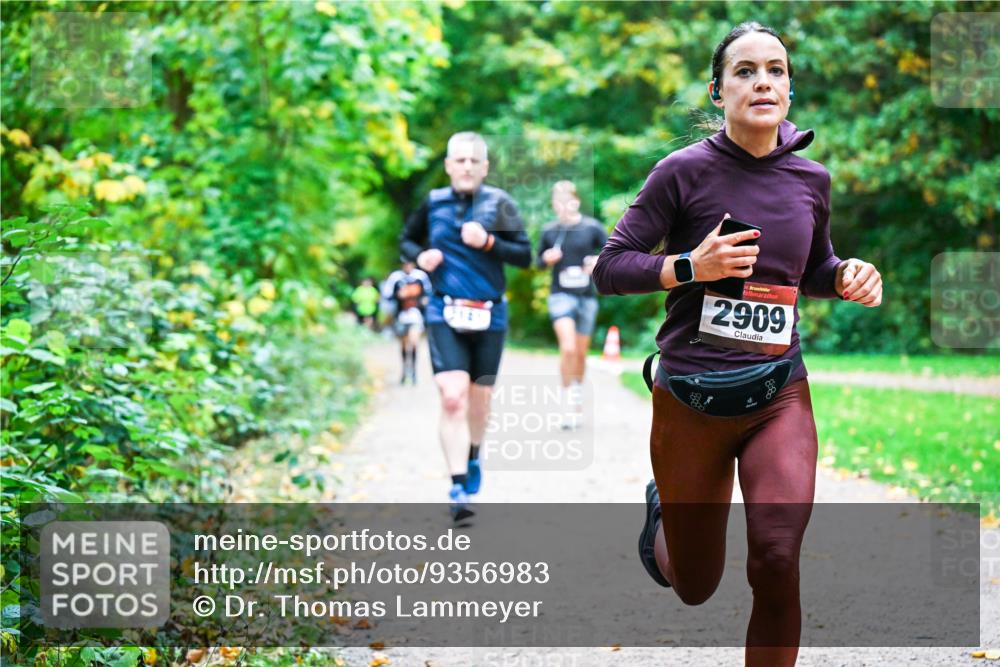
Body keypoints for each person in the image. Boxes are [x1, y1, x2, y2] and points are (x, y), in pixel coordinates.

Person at [592, 22, 882, 667]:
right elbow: (609, 268)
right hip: (691, 396)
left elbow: (812, 269)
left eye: (776, 70)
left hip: (779, 391)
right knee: (694, 585)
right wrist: (692, 266)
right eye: (746, 71)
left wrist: (846, 276)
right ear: (718, 92)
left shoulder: (812, 180)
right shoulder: (681, 172)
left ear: (789, 88)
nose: (763, 82)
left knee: (777, 557)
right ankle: (663, 512)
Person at [400, 131, 532, 521]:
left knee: (480, 400)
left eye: (475, 160)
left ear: (485, 167)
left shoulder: (500, 203)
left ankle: (473, 455)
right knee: (452, 395)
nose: (467, 166)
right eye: (460, 160)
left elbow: (525, 256)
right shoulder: (433, 203)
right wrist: (421, 256)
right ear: (448, 165)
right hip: (444, 310)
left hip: (490, 313)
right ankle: (458, 484)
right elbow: (406, 240)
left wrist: (490, 242)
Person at [536, 180, 608, 429]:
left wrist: (596, 262)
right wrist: (546, 258)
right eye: (557, 202)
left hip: (586, 297)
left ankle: (576, 402)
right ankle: (567, 402)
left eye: (567, 201)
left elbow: (611, 254)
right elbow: (537, 262)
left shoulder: (592, 228)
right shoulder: (549, 231)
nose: (562, 206)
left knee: (579, 353)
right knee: (567, 348)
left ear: (576, 201)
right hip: (560, 295)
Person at [381, 260, 433, 384]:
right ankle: (404, 371)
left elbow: (428, 293)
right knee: (404, 344)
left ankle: (414, 372)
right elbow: (387, 295)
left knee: (414, 342)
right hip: (401, 316)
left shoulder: (420, 277)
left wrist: (423, 302)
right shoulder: (396, 278)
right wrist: (398, 295)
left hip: (416, 316)